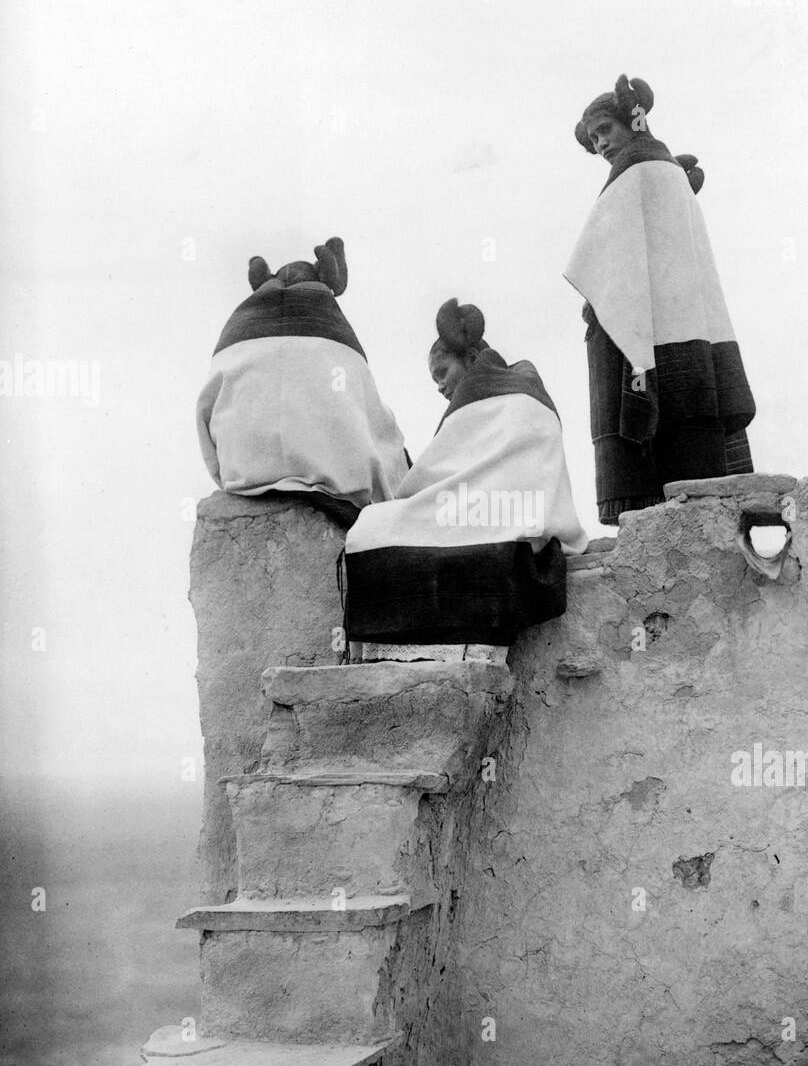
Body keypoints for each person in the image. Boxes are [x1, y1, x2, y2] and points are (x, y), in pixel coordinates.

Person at [565, 74, 756, 526]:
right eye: (594, 139)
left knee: (657, 456)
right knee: (692, 445)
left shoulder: (634, 172)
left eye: (606, 130)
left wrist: (599, 302)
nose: (602, 144)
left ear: (634, 121)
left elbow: (608, 258)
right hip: (687, 329)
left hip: (654, 329)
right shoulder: (669, 174)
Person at [343, 298, 589, 647]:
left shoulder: (485, 400)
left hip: (503, 519)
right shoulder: (524, 391)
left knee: (373, 527)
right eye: (435, 381)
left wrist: (404, 503)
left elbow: (424, 484)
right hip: (521, 529)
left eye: (442, 374)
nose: (440, 387)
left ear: (472, 359)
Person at [196, 237, 407, 529]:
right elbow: (378, 432)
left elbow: (206, 417)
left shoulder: (234, 343)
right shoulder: (338, 346)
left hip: (243, 478)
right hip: (335, 494)